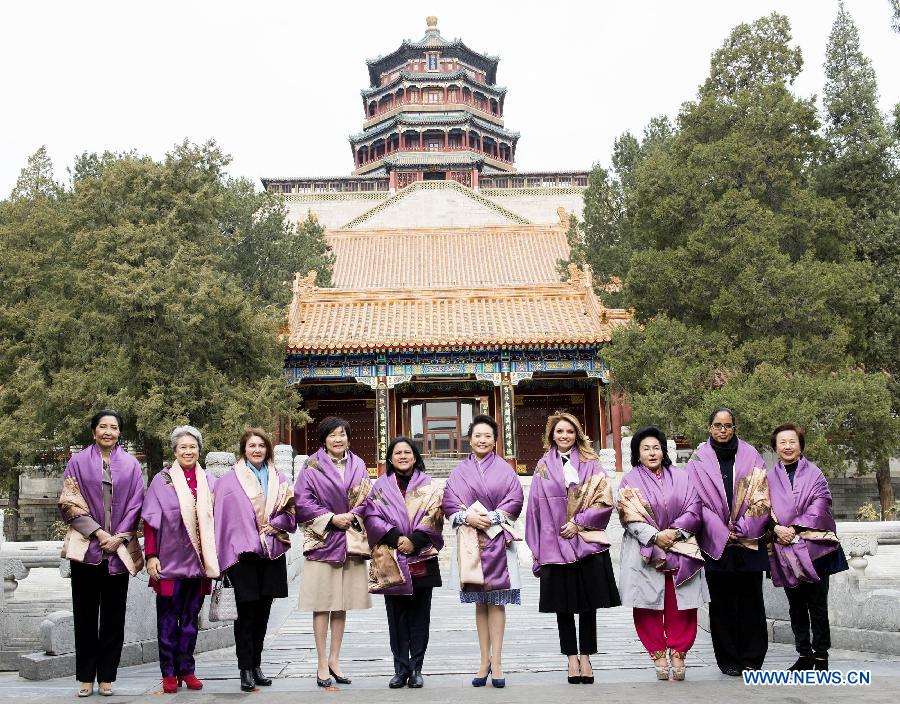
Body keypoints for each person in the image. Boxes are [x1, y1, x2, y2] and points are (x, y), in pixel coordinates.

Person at [525, 412, 619, 685]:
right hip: (554, 544)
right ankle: (570, 658)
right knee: (562, 607)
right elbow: (534, 509)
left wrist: (579, 523)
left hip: (586, 543)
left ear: (577, 433)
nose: (564, 436)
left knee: (588, 605)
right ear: (551, 435)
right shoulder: (543, 466)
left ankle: (587, 657)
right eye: (559, 432)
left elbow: (604, 499)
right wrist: (537, 545)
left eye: (569, 431)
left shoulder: (592, 464)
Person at [58, 409, 145, 698]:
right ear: (94, 430)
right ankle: (85, 676)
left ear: (120, 433)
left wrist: (119, 536)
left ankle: (107, 676)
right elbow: (69, 502)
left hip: (117, 551)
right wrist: (99, 533)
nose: (108, 431)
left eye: (114, 427)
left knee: (113, 616)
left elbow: (136, 504)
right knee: (84, 615)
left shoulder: (131, 465)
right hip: (87, 549)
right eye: (103, 426)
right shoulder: (78, 462)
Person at [618, 427, 708, 681]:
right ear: (637, 452)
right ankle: (658, 653)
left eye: (656, 447)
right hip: (645, 549)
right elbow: (628, 514)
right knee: (647, 603)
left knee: (680, 602)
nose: (652, 452)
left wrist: (675, 532)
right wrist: (656, 535)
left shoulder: (681, 477)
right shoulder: (629, 480)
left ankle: (679, 652)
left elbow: (694, 507)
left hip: (681, 547)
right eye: (645, 448)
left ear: (663, 450)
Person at [686, 407, 771, 676]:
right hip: (715, 543)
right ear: (709, 428)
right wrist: (722, 531)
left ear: (735, 428)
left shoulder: (751, 456)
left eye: (728, 426)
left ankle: (753, 658)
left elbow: (762, 495)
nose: (723, 430)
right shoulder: (698, 459)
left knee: (751, 601)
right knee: (721, 604)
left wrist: (744, 527)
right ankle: (729, 659)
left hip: (749, 540)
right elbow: (695, 501)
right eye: (717, 425)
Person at [443, 414, 523, 689]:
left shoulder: (506, 469)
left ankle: (497, 661)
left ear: (495, 440)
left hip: (498, 538)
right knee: (479, 601)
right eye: (478, 435)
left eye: (488, 436)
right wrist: (467, 517)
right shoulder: (459, 471)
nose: (482, 440)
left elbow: (515, 498)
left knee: (497, 601)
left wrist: (495, 517)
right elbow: (449, 501)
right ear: (470, 439)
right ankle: (483, 660)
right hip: (470, 540)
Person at [213, 428, 297, 692]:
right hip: (243, 556)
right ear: (243, 449)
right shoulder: (229, 480)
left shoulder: (279, 478)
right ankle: (244, 668)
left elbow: (292, 510)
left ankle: (257, 664)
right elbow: (223, 519)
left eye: (261, 445)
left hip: (271, 552)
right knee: (246, 615)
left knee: (263, 613)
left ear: (268, 449)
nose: (257, 450)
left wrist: (276, 524)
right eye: (252, 446)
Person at [295, 416, 373, 688]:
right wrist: (330, 518)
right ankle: (320, 663)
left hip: (350, 540)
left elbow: (367, 497)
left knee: (341, 605)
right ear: (324, 439)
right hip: (323, 540)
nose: (338, 439)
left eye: (342, 434)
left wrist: (351, 516)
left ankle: (335, 660)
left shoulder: (359, 464)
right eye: (332, 435)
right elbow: (302, 501)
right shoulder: (311, 465)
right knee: (322, 604)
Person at [142, 426, 219, 693]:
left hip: (198, 563)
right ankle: (168, 672)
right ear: (174, 451)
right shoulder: (161, 481)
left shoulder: (209, 481)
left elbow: (218, 521)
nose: (188, 451)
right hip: (169, 562)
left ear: (199, 450)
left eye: (193, 446)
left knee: (189, 620)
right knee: (167, 619)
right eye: (183, 447)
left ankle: (186, 669)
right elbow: (150, 522)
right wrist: (151, 555)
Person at [362, 437, 444, 689]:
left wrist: (415, 541)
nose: (402, 456)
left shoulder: (429, 485)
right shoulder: (380, 487)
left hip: (421, 556)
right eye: (397, 453)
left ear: (415, 456)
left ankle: (417, 667)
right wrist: (398, 538)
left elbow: (435, 515)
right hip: (391, 556)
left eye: (407, 452)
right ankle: (400, 668)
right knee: (396, 617)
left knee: (420, 616)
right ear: (390, 458)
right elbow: (371, 516)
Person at [767, 423, 848, 672]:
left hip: (815, 550)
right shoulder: (768, 477)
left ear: (800, 445)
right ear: (776, 448)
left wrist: (796, 527)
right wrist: (775, 528)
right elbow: (760, 507)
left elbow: (822, 504)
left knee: (817, 604)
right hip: (784, 549)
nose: (788, 446)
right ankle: (803, 655)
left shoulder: (815, 473)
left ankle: (821, 656)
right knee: (796, 605)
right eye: (782, 442)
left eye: (792, 441)